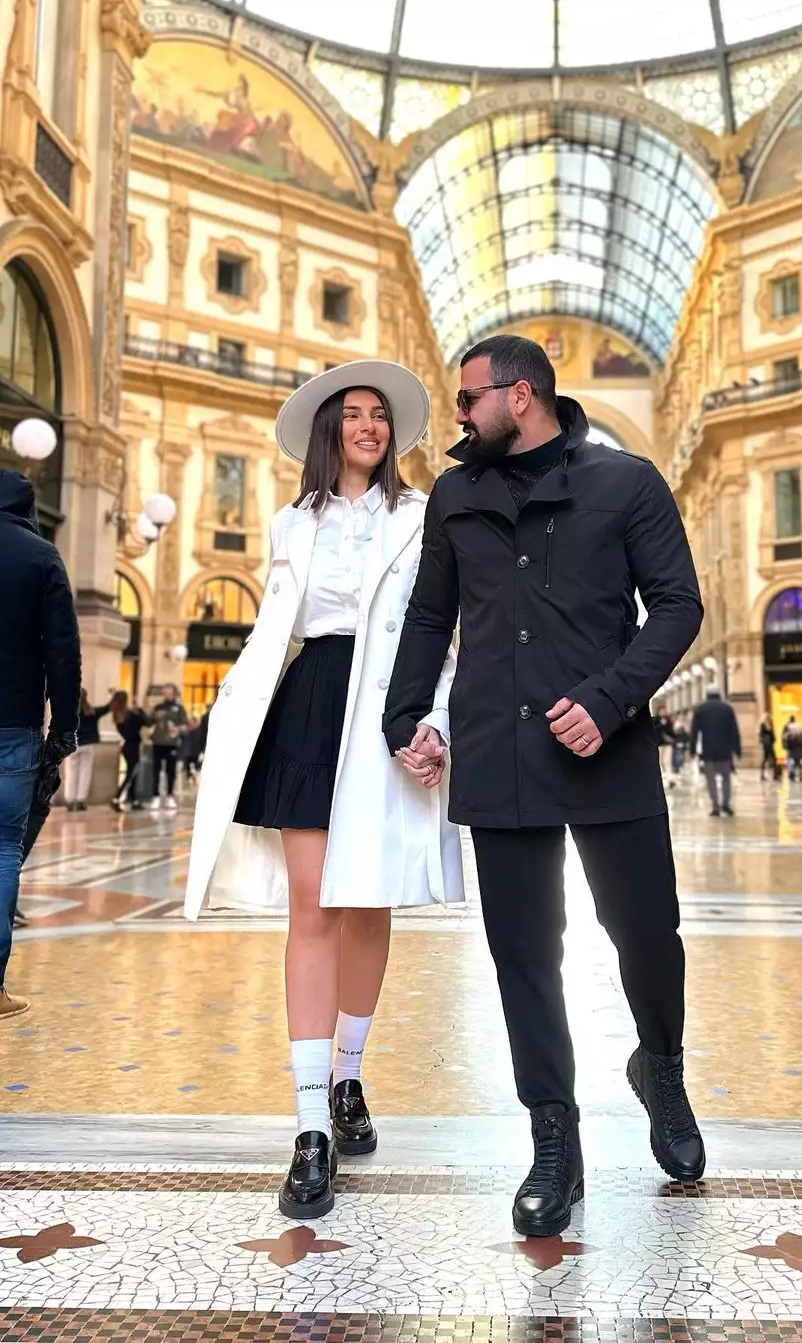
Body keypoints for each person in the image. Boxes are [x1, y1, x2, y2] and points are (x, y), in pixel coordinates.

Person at [384, 334, 706, 1239]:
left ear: (520, 396)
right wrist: (407, 716)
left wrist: (609, 699)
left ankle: (662, 1069)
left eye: (468, 399)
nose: (458, 414)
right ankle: (553, 1138)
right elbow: (429, 616)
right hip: (500, 751)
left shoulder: (626, 482)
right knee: (525, 952)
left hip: (607, 746)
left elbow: (678, 604)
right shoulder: (455, 497)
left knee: (646, 931)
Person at [184, 360, 463, 1221]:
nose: (368, 425)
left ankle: (349, 1075)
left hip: (387, 709)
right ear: (329, 431)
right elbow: (275, 629)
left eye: (379, 414)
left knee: (366, 904)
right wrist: (230, 716)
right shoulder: (289, 521)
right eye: (352, 414)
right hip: (309, 705)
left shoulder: (423, 516)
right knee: (312, 908)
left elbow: (442, 631)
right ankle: (310, 1127)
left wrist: (436, 721)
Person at [0, 469, 80, 1021]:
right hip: (15, 726)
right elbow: (64, 652)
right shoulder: (41, 557)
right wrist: (65, 728)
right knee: (4, 848)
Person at [690, 688, 742, 817]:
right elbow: (734, 730)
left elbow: (694, 731)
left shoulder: (700, 710)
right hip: (725, 751)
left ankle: (715, 806)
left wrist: (692, 749)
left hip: (708, 751)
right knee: (726, 779)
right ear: (719, 695)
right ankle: (726, 804)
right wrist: (737, 749)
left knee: (711, 780)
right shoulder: (727, 709)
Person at [64, 689, 111, 811]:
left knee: (71, 773)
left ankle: (70, 801)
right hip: (87, 746)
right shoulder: (92, 712)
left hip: (72, 746)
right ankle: (80, 801)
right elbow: (107, 708)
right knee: (85, 773)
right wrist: (111, 696)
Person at [148, 685, 188, 810]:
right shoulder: (158, 708)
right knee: (156, 770)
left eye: (169, 692)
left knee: (170, 771)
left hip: (172, 743)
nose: (167, 694)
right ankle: (155, 796)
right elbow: (150, 722)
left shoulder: (179, 709)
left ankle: (170, 795)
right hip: (158, 743)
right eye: (165, 692)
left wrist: (178, 729)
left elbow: (186, 725)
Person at [110, 691, 149, 811]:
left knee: (132, 773)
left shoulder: (117, 715)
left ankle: (133, 799)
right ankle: (116, 798)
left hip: (127, 746)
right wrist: (140, 710)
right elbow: (147, 722)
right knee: (131, 774)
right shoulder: (130, 715)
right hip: (133, 746)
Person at [758, 715, 777, 782]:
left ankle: (774, 775)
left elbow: (772, 734)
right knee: (766, 759)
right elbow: (762, 734)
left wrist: (773, 739)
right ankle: (762, 775)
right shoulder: (763, 725)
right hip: (766, 745)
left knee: (772, 759)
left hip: (770, 744)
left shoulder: (770, 724)